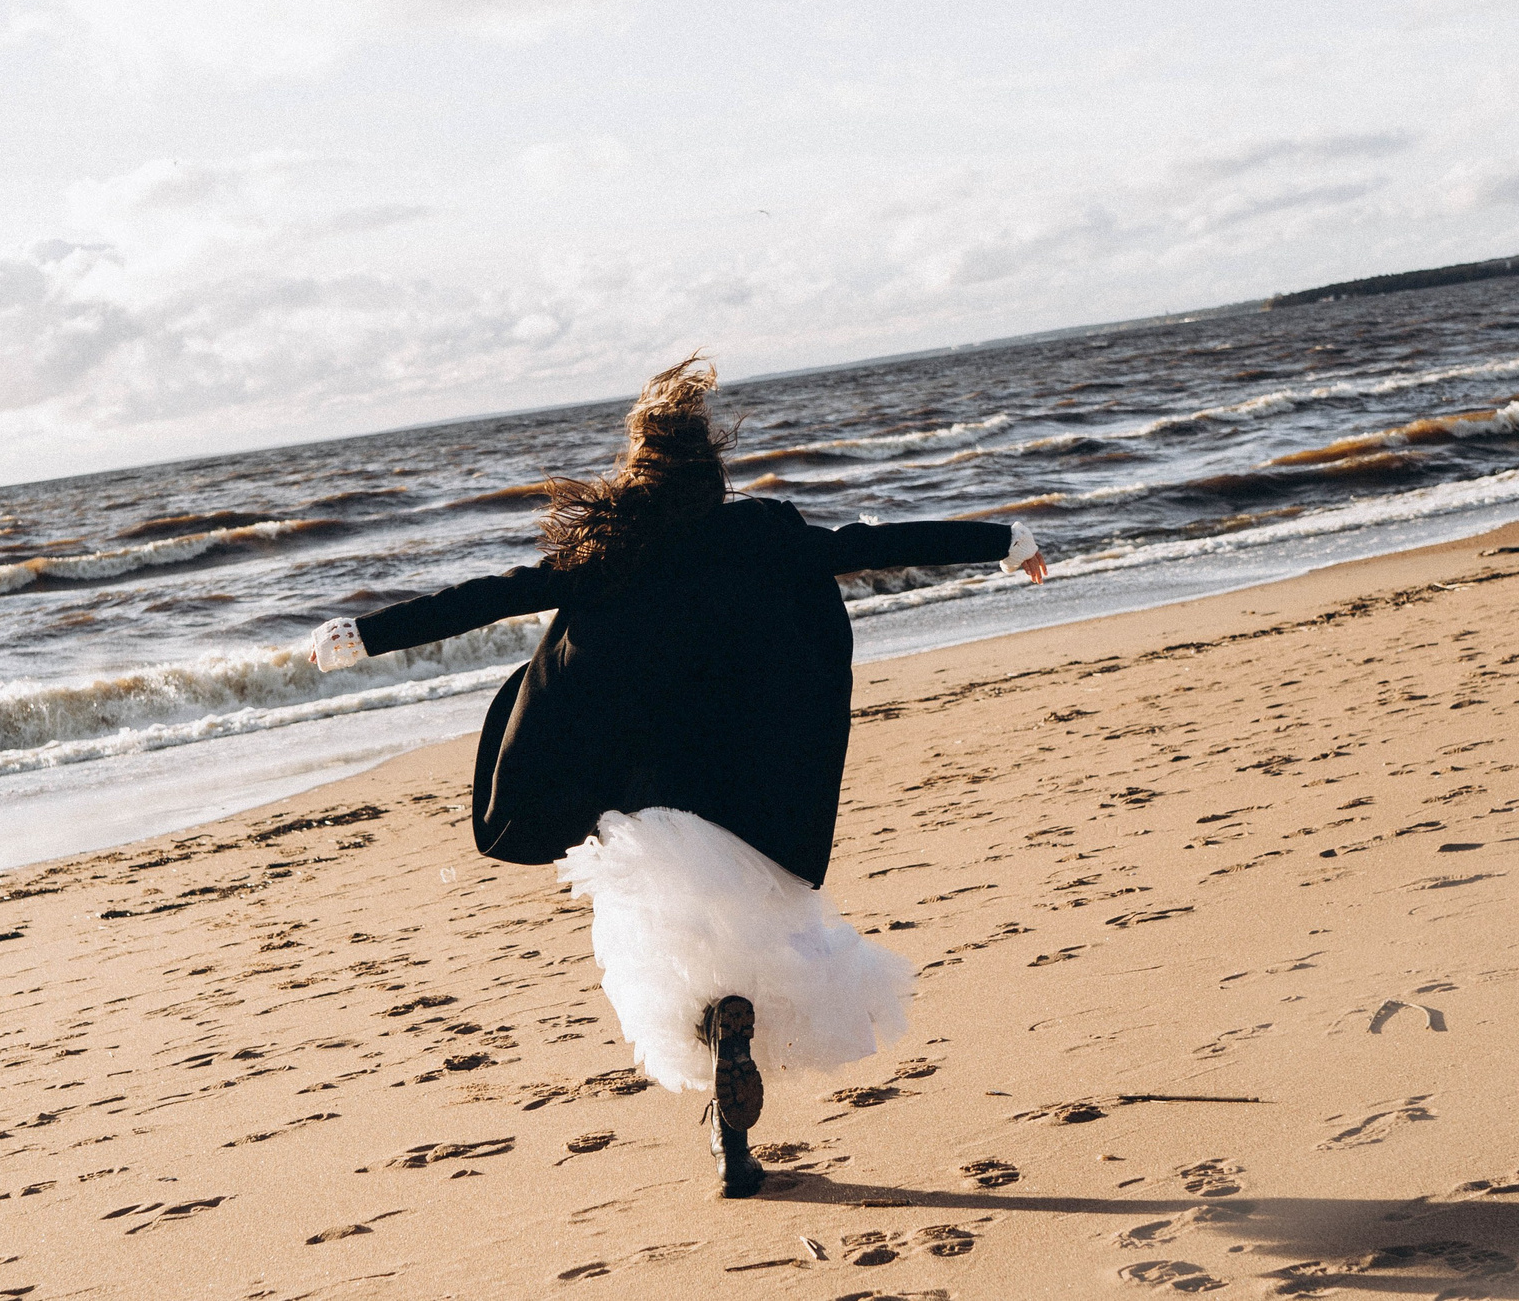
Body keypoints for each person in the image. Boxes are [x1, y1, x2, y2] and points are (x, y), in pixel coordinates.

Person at [306, 356, 1047, 1196]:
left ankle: (726, 1113)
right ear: (712, 467)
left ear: (639, 467)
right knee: (762, 964)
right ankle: (734, 1112)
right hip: (752, 810)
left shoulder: (611, 551)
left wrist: (365, 633)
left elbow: (492, 595)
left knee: (671, 969)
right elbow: (865, 547)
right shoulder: (763, 536)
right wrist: (1003, 540)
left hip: (646, 820)